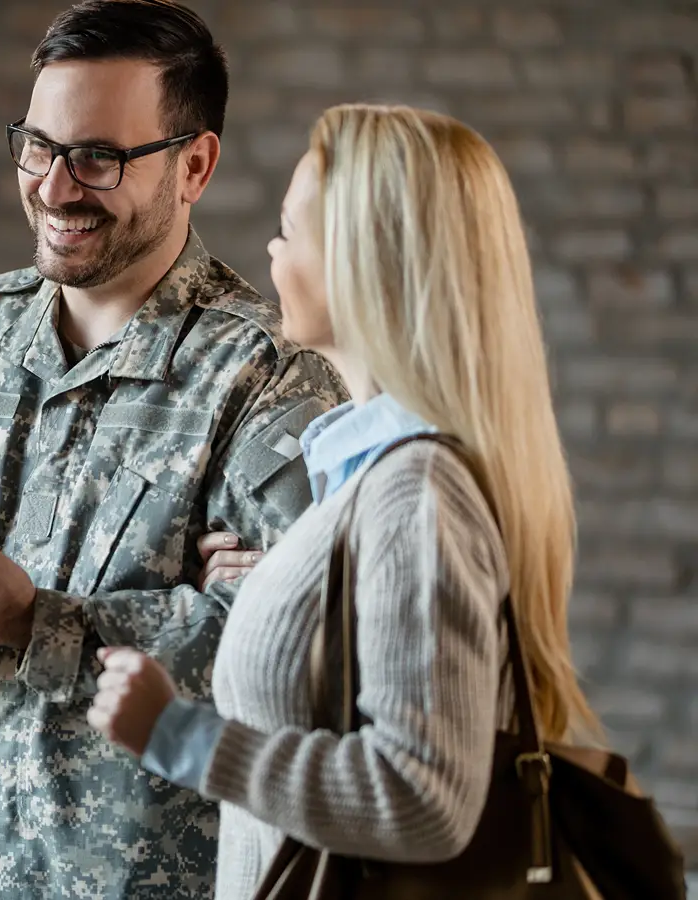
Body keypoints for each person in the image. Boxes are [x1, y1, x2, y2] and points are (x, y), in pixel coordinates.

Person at [0, 1, 346, 896]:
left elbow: (310, 652)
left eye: (97, 157)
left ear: (194, 164)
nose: (53, 187)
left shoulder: (266, 379)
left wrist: (35, 622)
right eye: (37, 146)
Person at [90, 103, 601, 900]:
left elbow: (423, 799)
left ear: (364, 261)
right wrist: (293, 586)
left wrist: (178, 735)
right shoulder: (379, 480)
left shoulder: (417, 491)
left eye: (290, 231)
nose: (269, 249)